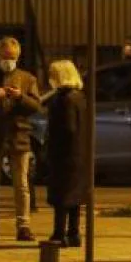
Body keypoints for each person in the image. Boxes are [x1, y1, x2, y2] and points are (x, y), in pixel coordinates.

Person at [0, 37, 41, 242]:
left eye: (11, 57)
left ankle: (24, 226)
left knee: (21, 184)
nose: (7, 61)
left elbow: (36, 107)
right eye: (4, 57)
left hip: (18, 136)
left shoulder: (28, 79)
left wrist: (21, 97)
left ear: (18, 57)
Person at [44, 61, 90, 248]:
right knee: (74, 196)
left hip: (64, 154)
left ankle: (59, 233)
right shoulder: (80, 97)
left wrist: (52, 143)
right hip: (79, 153)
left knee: (61, 196)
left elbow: (67, 127)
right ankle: (74, 232)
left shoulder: (63, 99)